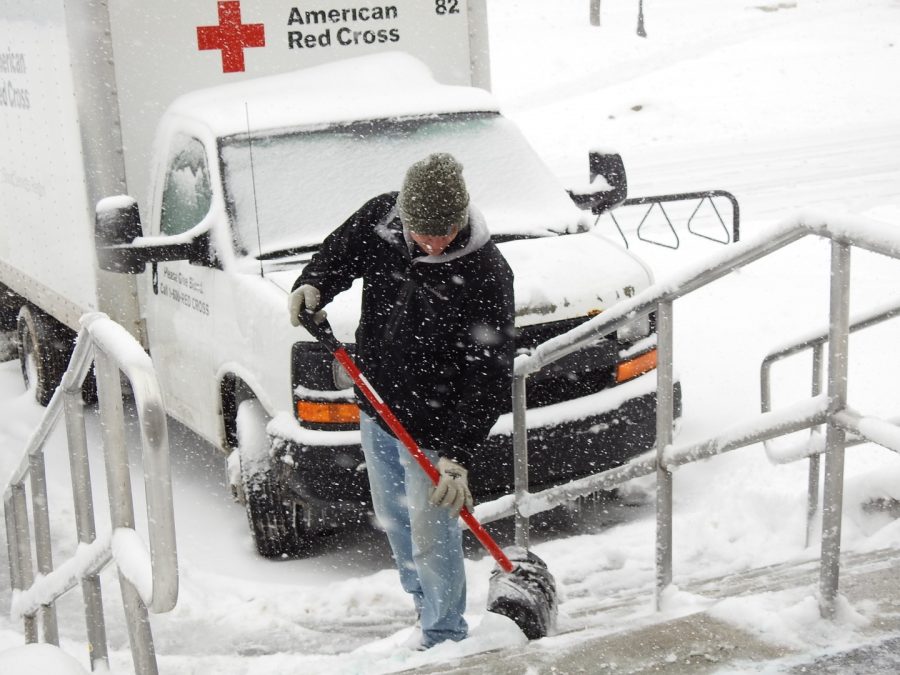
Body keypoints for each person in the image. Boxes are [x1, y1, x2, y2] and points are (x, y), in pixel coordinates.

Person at [288, 153, 515, 649]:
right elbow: (337, 255)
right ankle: (421, 611)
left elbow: (489, 374)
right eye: (422, 233)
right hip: (377, 405)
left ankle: (444, 637)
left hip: (435, 428)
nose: (433, 244)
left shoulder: (487, 271)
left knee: (434, 539)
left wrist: (458, 455)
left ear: (461, 218)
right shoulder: (380, 220)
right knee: (395, 521)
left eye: (445, 232)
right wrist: (313, 284)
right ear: (404, 217)